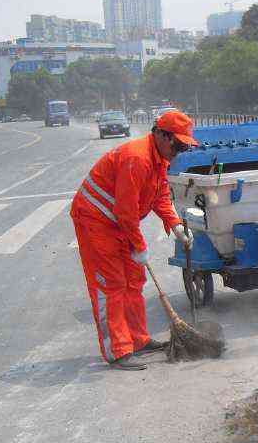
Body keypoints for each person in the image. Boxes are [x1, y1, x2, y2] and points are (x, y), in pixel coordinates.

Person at [70, 110, 197, 371]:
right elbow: (126, 212)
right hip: (96, 220)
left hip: (119, 222)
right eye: (178, 144)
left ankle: (137, 340)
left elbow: (160, 194)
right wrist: (139, 246)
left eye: (185, 146)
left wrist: (175, 226)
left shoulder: (159, 158)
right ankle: (117, 350)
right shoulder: (137, 159)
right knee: (112, 284)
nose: (180, 150)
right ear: (161, 135)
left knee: (134, 279)